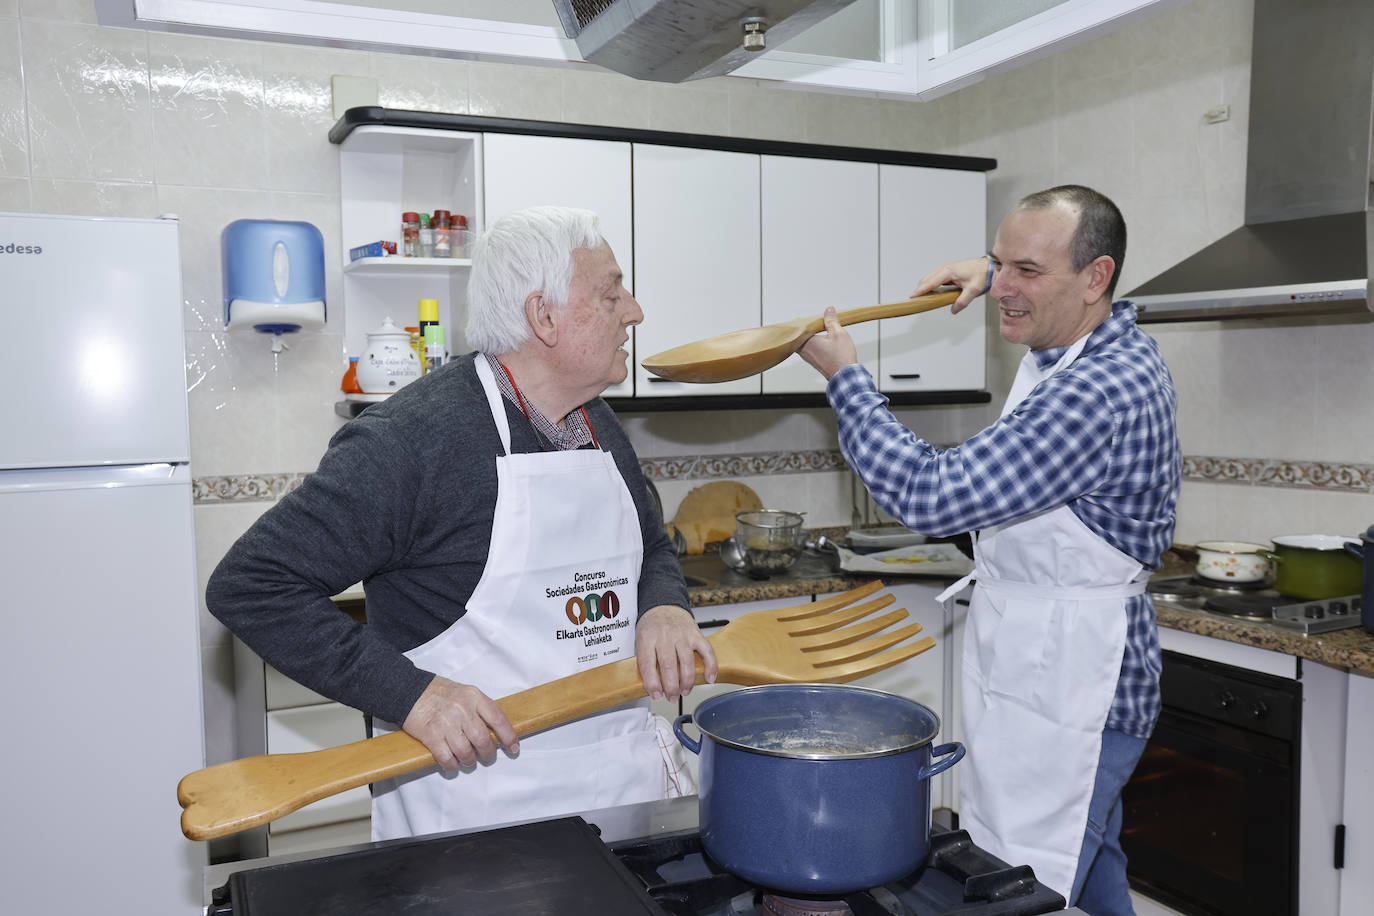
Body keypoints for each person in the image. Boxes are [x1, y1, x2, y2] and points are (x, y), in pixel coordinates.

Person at [207, 205, 717, 841]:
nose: (635, 311)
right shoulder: (413, 440)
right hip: (478, 815)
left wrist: (664, 607)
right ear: (545, 317)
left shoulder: (598, 423)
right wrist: (412, 695)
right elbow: (252, 584)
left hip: (620, 793)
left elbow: (650, 546)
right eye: (612, 294)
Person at [798, 185, 1180, 916]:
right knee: (1087, 866)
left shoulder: (1098, 392)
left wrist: (847, 380)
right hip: (1046, 662)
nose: (1004, 288)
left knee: (1026, 885)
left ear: (1095, 278)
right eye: (1002, 264)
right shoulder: (1087, 338)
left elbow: (929, 494)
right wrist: (1000, 269)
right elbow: (1039, 277)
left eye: (1027, 272)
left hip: (1081, 682)